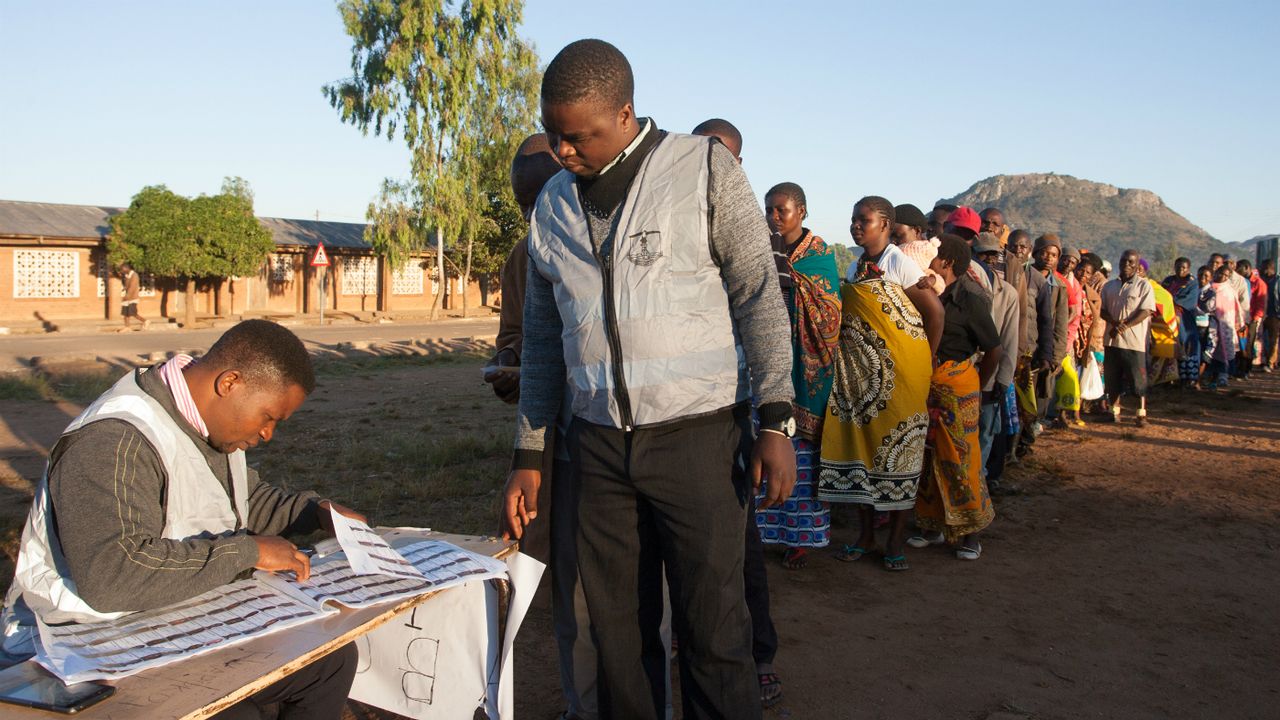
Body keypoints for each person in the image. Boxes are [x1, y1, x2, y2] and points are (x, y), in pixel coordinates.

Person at [500, 40, 796, 720]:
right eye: (554, 134)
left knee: (713, 629)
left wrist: (775, 421)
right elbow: (545, 343)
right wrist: (529, 454)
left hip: (699, 440)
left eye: (578, 137)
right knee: (616, 636)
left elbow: (758, 295)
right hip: (598, 451)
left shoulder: (702, 169)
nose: (563, 150)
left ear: (625, 112)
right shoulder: (552, 205)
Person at [1, 320, 364, 720]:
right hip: (79, 644)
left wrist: (313, 511)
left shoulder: (211, 425)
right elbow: (111, 576)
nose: (267, 434)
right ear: (230, 383)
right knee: (235, 709)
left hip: (171, 622)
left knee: (330, 661)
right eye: (268, 417)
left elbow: (243, 502)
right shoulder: (113, 438)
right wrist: (248, 552)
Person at [486, 133, 621, 720]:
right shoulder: (525, 255)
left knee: (630, 585)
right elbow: (517, 339)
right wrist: (511, 368)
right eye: (524, 206)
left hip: (624, 443)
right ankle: (584, 704)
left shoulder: (620, 240)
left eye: (541, 197)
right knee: (572, 588)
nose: (535, 214)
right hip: (556, 444)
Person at [692, 119, 782, 709]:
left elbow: (765, 319)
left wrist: (773, 421)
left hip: (734, 411)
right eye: (704, 155)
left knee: (738, 550)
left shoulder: (746, 234)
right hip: (677, 415)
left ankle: (759, 657)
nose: (715, 167)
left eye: (726, 158)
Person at [819, 196, 943, 572]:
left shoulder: (898, 263)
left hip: (903, 377)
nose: (857, 225)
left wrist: (926, 357)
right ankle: (866, 536)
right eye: (854, 219)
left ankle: (894, 543)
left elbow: (933, 312)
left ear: (886, 225)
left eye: (865, 220)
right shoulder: (857, 265)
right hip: (863, 382)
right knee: (865, 454)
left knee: (900, 456)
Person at [754, 182, 839, 577]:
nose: (773, 216)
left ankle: (800, 540)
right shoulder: (759, 249)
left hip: (806, 375)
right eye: (769, 209)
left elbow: (828, 312)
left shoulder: (819, 256)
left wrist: (788, 279)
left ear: (801, 212)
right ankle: (761, 533)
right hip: (766, 365)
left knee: (801, 460)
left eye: (781, 210)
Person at [913, 235, 1001, 560]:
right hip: (928, 384)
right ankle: (932, 525)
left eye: (934, 257)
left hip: (959, 386)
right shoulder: (926, 292)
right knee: (928, 455)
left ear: (946, 262)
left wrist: (979, 383)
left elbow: (994, 349)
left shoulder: (971, 300)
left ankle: (970, 533)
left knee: (962, 458)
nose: (929, 261)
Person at [970, 233, 1020, 491]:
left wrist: (1004, 379)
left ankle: (978, 485)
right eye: (982, 255)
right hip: (965, 372)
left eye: (993, 255)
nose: (989, 260)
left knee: (986, 432)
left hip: (992, 375)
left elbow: (1010, 339)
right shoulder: (963, 288)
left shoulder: (1008, 293)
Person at [1100, 250, 1156, 425]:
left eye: (1131, 262)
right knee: (1112, 379)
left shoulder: (1143, 286)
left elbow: (1146, 311)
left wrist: (1126, 325)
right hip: (1112, 341)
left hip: (1134, 342)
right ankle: (1113, 411)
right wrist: (1114, 322)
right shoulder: (1109, 286)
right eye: (1124, 261)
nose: (1127, 265)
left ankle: (1141, 414)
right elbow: (1102, 310)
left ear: (1137, 265)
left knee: (1138, 380)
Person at [1162, 257, 1201, 387]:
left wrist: (1170, 300)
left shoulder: (1192, 283)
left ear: (1188, 268)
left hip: (1185, 320)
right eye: (1178, 267)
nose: (1180, 270)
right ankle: (1169, 377)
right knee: (1168, 345)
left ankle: (1189, 378)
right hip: (1167, 318)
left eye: (1183, 267)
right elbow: (1161, 295)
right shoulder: (1168, 281)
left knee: (1186, 345)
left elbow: (1187, 301)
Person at [1208, 265, 1245, 388]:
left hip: (1226, 326)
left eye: (1226, 275)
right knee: (1210, 350)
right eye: (1221, 273)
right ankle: (1210, 376)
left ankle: (1223, 376)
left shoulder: (1229, 290)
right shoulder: (1209, 287)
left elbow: (1236, 308)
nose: (1222, 277)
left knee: (1225, 351)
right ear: (1216, 271)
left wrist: (1239, 324)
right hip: (1210, 324)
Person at [118, 263, 149, 330]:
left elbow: (132, 287)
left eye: (122, 269)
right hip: (127, 297)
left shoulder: (134, 275)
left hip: (132, 298)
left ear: (126, 268)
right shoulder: (126, 276)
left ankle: (145, 321)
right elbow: (127, 286)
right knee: (125, 313)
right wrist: (124, 289)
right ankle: (127, 327)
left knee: (133, 313)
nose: (121, 270)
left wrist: (127, 296)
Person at [1262, 259, 1279, 372]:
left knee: (1274, 339)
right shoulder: (1262, 280)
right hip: (1262, 314)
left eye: (1263, 267)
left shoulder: (1277, 281)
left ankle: (1271, 362)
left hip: (1274, 314)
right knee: (1262, 339)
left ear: (1270, 267)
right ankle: (1266, 359)